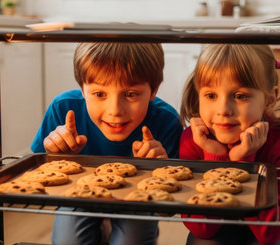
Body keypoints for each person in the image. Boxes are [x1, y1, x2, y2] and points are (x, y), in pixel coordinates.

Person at [31, 42, 183, 245]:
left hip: (137, 199)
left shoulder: (166, 121)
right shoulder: (63, 109)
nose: (115, 111)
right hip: (79, 194)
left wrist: (158, 168)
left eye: (130, 94)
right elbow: (35, 180)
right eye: (100, 94)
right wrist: (55, 156)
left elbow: (168, 209)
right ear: (83, 89)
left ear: (153, 90)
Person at [179, 44, 280, 245]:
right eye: (211, 95)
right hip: (221, 221)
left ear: (270, 99)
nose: (223, 110)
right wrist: (216, 157)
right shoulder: (194, 139)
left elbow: (270, 234)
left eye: (240, 96)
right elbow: (202, 229)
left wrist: (244, 165)